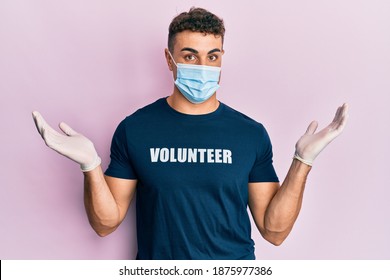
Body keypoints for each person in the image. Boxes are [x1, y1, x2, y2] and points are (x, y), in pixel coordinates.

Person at [32, 7, 349, 260]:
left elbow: (274, 232)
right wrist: (90, 165)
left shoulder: (250, 134)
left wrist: (302, 161)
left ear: (222, 57)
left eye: (212, 56)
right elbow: (105, 223)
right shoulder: (136, 129)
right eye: (189, 56)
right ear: (169, 60)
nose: (203, 66)